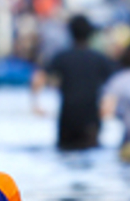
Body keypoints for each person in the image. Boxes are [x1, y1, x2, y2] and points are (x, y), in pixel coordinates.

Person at [31, 14, 117, 150]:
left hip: (67, 118)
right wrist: (109, 106)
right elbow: (115, 83)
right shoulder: (99, 58)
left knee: (65, 151)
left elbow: (39, 77)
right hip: (91, 119)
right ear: (90, 34)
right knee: (90, 151)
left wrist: (36, 103)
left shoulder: (61, 57)